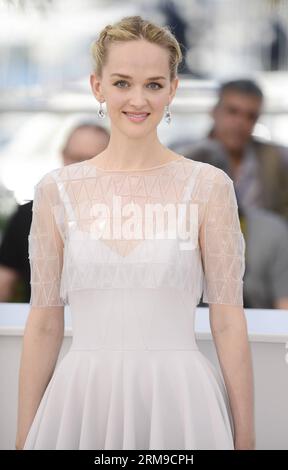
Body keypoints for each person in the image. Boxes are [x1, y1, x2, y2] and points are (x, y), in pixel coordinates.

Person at [16, 15, 254, 450]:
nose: (138, 99)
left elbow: (227, 320)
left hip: (181, 401)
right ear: (97, 87)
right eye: (123, 82)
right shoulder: (57, 190)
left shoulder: (208, 187)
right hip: (80, 402)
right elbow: (45, 323)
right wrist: (22, 436)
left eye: (154, 84)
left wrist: (246, 437)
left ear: (173, 90)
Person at [0, 120, 110, 303]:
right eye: (76, 158)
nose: (81, 168)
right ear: (63, 156)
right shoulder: (29, 214)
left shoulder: (127, 215)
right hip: (44, 324)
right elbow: (4, 281)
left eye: (92, 159)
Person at [178, 79, 288, 221]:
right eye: (232, 111)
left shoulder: (274, 157)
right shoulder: (186, 154)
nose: (240, 122)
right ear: (214, 111)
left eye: (250, 116)